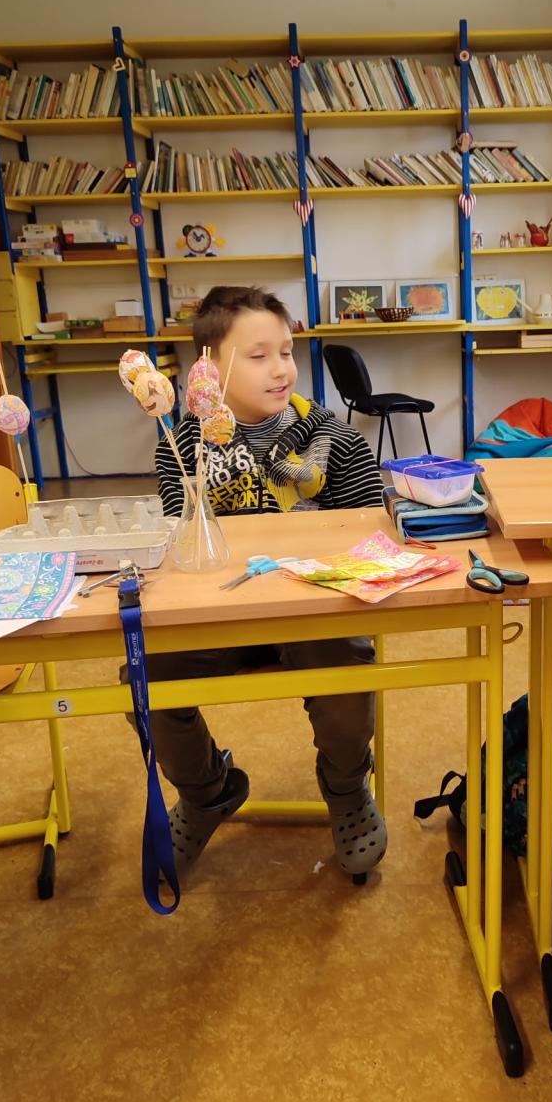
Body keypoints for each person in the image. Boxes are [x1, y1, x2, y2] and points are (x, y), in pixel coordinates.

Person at [149, 286, 387, 881]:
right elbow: (182, 550)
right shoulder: (182, 448)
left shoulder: (335, 439)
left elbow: (368, 540)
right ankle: (208, 792)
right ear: (207, 366)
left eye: (286, 351)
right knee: (146, 683)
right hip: (221, 613)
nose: (281, 369)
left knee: (349, 677)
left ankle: (346, 787)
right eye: (258, 356)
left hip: (313, 610)